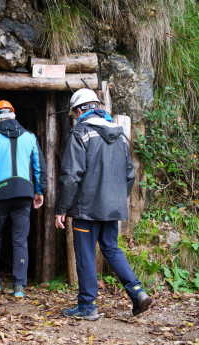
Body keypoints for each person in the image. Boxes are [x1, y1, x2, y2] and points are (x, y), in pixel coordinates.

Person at [55, 88, 152, 321]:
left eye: (73, 114)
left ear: (79, 110)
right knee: (111, 248)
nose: (74, 118)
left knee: (86, 254)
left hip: (86, 209)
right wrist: (116, 198)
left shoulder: (80, 133)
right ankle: (137, 292)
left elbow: (70, 176)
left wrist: (61, 209)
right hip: (112, 207)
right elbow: (130, 174)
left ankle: (87, 306)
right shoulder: (119, 135)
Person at [0, 100, 47, 298]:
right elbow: (39, 166)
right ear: (14, 116)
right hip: (24, 194)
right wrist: (40, 191)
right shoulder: (30, 137)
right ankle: (19, 286)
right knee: (20, 240)